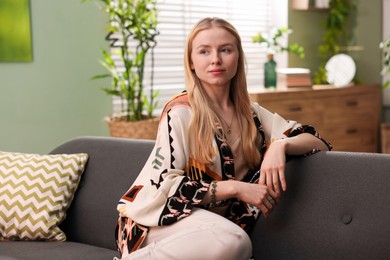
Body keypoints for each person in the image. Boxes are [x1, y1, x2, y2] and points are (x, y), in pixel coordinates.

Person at [115, 17, 332, 260]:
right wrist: (237, 189)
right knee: (233, 242)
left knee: (228, 241)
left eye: (225, 50)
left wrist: (281, 144)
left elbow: (318, 142)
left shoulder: (252, 114)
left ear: (237, 58)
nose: (215, 59)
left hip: (211, 227)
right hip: (154, 223)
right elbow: (166, 189)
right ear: (192, 62)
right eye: (204, 51)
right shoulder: (179, 113)